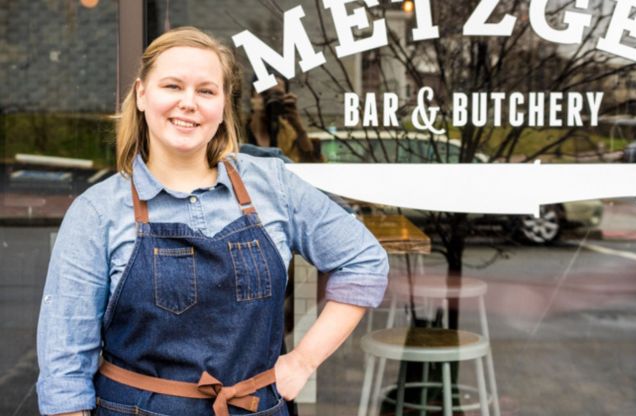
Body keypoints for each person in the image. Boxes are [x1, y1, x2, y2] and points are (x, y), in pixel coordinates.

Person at [36, 26, 388, 416]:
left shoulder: (273, 184)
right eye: (172, 86)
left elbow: (364, 261)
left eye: (206, 90)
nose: (189, 103)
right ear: (141, 94)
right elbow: (64, 369)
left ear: (222, 106)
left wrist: (303, 360)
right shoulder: (98, 211)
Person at [248, 76, 323, 163]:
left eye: (277, 95)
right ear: (252, 97)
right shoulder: (236, 134)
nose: (270, 100)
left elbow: (313, 167)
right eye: (265, 94)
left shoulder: (292, 136)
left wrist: (298, 126)